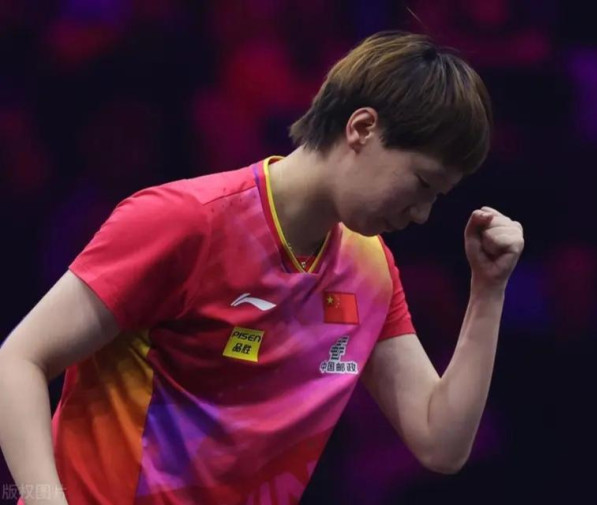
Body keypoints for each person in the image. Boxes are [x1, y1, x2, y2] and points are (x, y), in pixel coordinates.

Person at [0, 31, 524, 505]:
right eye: (422, 184)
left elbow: (440, 442)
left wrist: (489, 289)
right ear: (362, 128)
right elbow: (17, 360)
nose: (423, 214)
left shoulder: (369, 268)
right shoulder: (186, 222)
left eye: (437, 197)